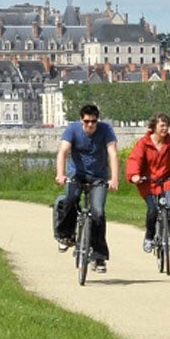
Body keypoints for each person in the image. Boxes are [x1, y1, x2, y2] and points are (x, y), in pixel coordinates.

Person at [54, 102, 120, 271]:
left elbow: (112, 153)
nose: (90, 125)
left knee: (98, 212)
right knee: (70, 200)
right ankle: (65, 235)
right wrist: (61, 174)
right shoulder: (72, 129)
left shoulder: (106, 130)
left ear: (98, 120)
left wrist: (114, 179)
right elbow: (63, 152)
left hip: (98, 177)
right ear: (81, 120)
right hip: (76, 175)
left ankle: (99, 257)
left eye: (93, 121)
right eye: (87, 121)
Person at [125, 112, 170, 252]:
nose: (165, 129)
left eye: (167, 126)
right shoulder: (144, 143)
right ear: (154, 126)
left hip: (166, 181)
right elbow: (135, 159)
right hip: (148, 182)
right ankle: (149, 237)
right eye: (162, 126)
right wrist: (134, 175)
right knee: (153, 209)